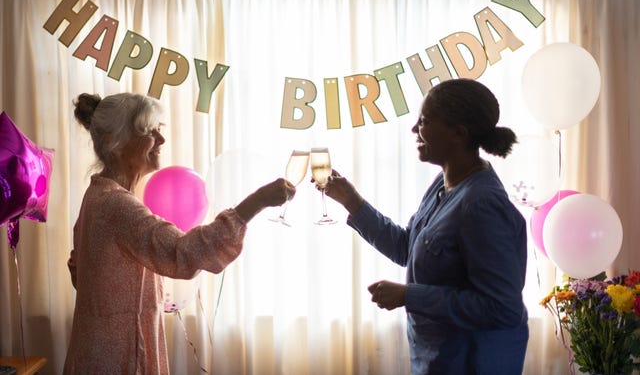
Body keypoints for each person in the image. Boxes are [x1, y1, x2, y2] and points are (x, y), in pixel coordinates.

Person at [64, 92, 295, 374]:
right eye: (150, 132)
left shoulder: (97, 196)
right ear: (119, 143)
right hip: (117, 359)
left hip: (96, 354)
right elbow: (182, 253)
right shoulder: (116, 205)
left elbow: (80, 272)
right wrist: (256, 201)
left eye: (159, 130)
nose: (161, 140)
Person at [321, 78, 528, 374]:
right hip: (437, 361)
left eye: (425, 121)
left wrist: (409, 295)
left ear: (458, 133)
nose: (414, 129)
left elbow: (500, 308)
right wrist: (352, 202)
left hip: (473, 363)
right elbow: (409, 249)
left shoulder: (481, 205)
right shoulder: (444, 185)